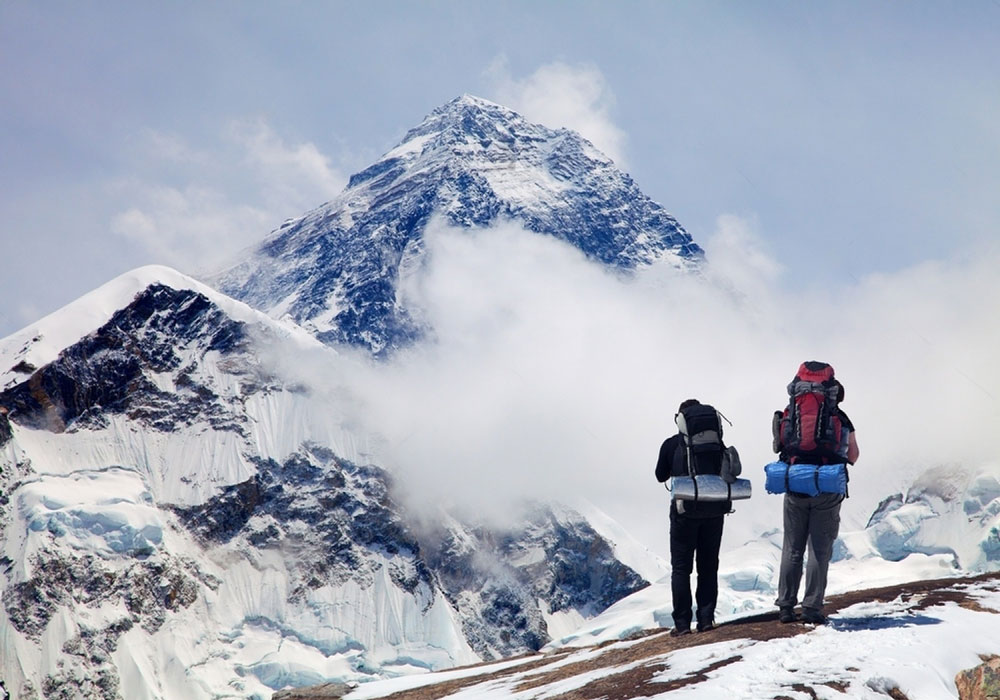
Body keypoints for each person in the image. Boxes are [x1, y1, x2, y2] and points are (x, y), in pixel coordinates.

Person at [773, 362, 860, 625]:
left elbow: (779, 445)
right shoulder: (841, 418)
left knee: (792, 548)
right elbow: (853, 455)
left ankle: (786, 607)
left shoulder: (789, 414)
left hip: (795, 484)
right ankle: (811, 608)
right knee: (819, 551)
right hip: (827, 487)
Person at [655, 399, 732, 636]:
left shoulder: (671, 444)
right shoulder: (717, 443)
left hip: (684, 512)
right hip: (714, 511)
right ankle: (706, 620)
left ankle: (681, 625)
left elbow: (660, 476)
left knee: (681, 569)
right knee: (708, 567)